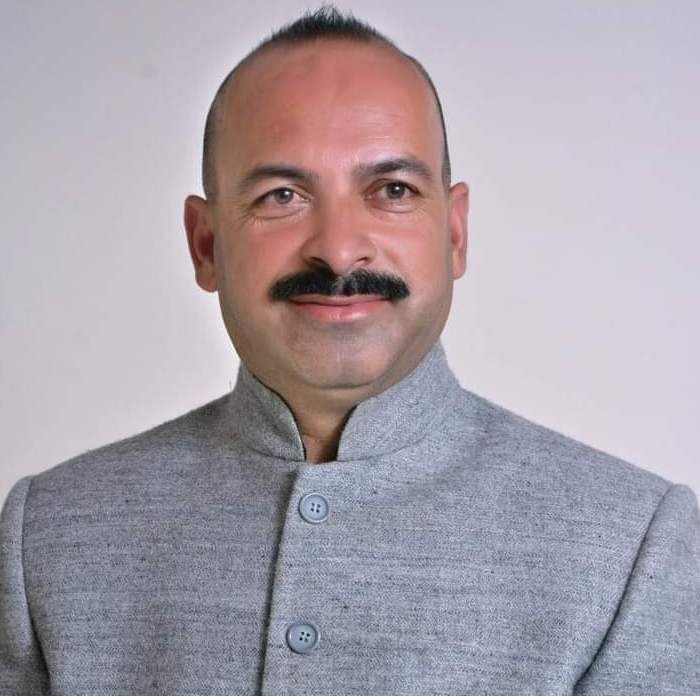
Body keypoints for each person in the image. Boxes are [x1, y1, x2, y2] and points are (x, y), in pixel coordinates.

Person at [1, 6, 698, 694]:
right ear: (206, 244)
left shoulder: (635, 547)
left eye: (392, 190)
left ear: (454, 234)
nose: (337, 250)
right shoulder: (46, 538)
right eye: (281, 195)